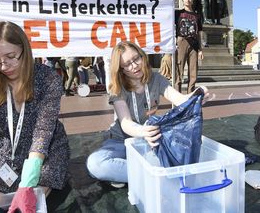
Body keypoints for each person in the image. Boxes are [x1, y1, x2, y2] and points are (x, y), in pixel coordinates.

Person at [0, 21, 69, 212]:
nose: (4, 65)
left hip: (46, 148)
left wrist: (28, 183)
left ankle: (30, 190)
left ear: (25, 49)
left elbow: (43, 131)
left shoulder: (48, 78)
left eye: (11, 56)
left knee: (43, 181)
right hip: (8, 150)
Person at [86, 41, 211, 187]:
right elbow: (125, 122)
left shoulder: (157, 79)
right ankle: (159, 175)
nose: (134, 66)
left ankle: (132, 174)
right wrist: (143, 131)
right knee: (96, 164)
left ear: (142, 55)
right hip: (121, 140)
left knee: (180, 153)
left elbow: (180, 100)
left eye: (136, 58)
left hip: (149, 139)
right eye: (127, 64)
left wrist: (198, 95)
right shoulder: (117, 87)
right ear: (120, 69)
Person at [175, 0, 204, 93]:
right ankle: (177, 98)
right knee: (179, 71)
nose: (188, 0)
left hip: (194, 46)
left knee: (193, 73)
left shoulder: (197, 16)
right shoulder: (177, 13)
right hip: (181, 42)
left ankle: (190, 96)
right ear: (182, 0)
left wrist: (200, 49)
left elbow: (199, 34)